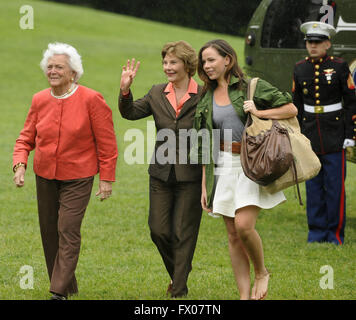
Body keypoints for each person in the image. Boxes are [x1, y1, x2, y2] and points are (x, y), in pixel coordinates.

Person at [13, 42, 118, 300]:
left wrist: (106, 179)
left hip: (78, 177)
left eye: (59, 67)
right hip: (45, 174)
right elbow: (25, 138)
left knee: (67, 228)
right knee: (49, 231)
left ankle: (58, 292)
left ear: (73, 72)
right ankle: (67, 286)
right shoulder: (39, 99)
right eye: (49, 67)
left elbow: (107, 143)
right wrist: (20, 164)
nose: (53, 71)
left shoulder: (91, 99)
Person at [193, 39, 297, 300]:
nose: (206, 65)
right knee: (232, 234)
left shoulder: (252, 86)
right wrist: (205, 184)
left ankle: (261, 272)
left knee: (243, 226)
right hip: (222, 166)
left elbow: (291, 108)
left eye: (211, 59)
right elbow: (205, 144)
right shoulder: (205, 97)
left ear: (228, 60)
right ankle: (243, 295)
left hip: (251, 162)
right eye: (203, 61)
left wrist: (261, 112)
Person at [118, 41, 203, 298]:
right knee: (158, 229)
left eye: (173, 62)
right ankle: (180, 271)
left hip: (192, 174)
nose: (168, 67)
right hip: (161, 172)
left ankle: (178, 290)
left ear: (187, 65)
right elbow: (130, 113)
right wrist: (125, 90)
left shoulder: (204, 94)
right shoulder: (156, 92)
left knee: (183, 233)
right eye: (165, 62)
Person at [292, 21, 356, 245]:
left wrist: (350, 133)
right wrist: (296, 134)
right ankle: (316, 233)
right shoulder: (300, 68)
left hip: (335, 134)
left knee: (335, 188)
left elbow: (351, 103)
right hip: (310, 135)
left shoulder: (339, 67)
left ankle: (335, 234)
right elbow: (297, 105)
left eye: (318, 42)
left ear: (327, 43)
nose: (313, 46)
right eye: (310, 42)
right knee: (313, 187)